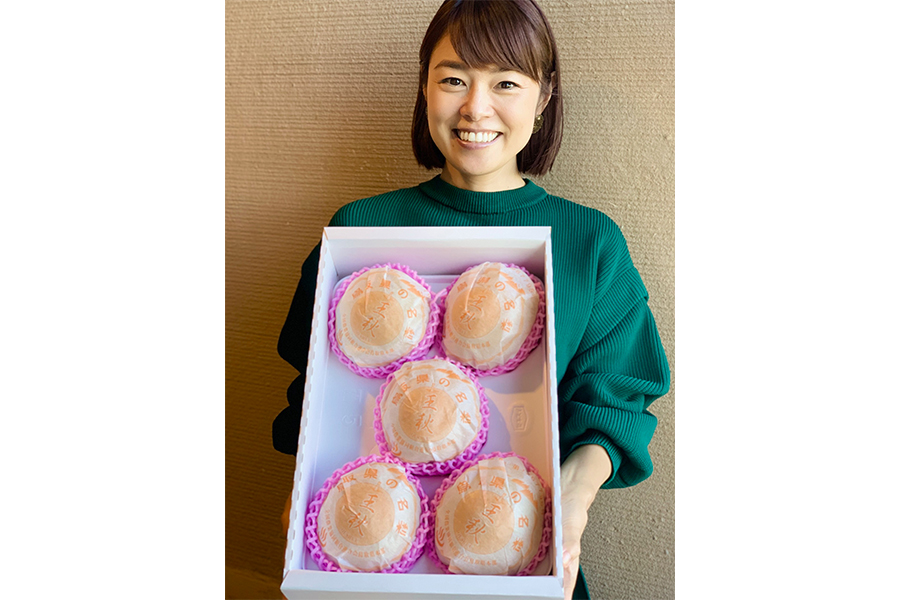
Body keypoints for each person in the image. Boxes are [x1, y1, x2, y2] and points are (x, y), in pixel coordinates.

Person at [273, 1, 670, 598]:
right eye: (454, 79)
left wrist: (571, 504)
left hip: (524, 560)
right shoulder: (362, 229)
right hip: (370, 574)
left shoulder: (588, 241)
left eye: (505, 83)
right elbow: (315, 391)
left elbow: (616, 401)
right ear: (425, 87)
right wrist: (304, 493)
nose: (475, 108)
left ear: (543, 97)